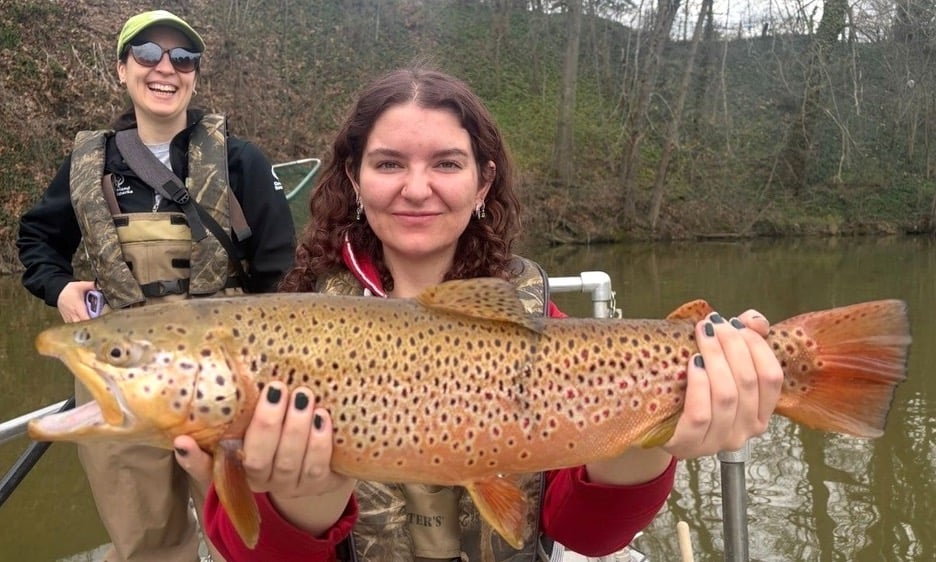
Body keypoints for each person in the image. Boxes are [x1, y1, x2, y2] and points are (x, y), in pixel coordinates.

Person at [171, 67, 783, 561]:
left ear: (483, 183)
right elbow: (244, 547)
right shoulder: (282, 337)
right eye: (388, 164)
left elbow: (589, 537)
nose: (416, 188)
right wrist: (305, 502)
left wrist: (648, 443)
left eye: (446, 163)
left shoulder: (547, 331)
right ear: (354, 179)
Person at [17, 10, 296, 562]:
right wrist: (62, 288)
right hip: (121, 382)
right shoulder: (85, 162)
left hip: (225, 383)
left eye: (182, 58)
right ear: (122, 68)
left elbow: (282, 268)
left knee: (246, 538)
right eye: (147, 54)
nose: (165, 68)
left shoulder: (241, 161)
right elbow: (36, 240)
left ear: (194, 73)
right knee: (147, 543)